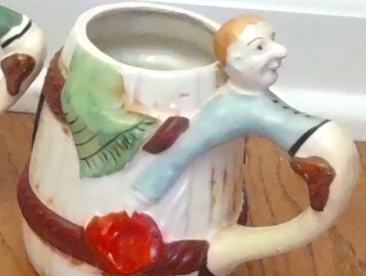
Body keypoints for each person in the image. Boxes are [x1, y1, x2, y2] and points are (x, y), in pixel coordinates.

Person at [132, 15, 328, 203]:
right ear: (235, 61)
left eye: (273, 40)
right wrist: (142, 195)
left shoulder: (244, 100)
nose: (281, 50)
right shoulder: (225, 110)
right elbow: (178, 155)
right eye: (260, 47)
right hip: (316, 152)